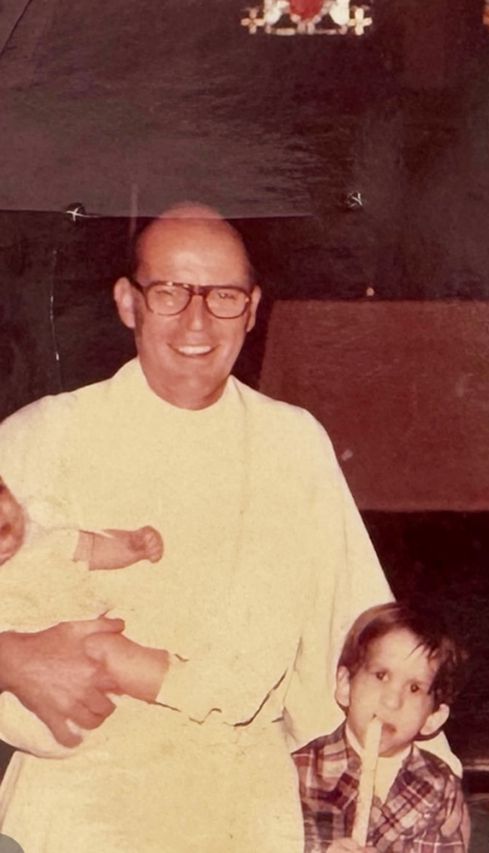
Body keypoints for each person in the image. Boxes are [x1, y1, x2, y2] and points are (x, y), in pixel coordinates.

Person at [0, 203, 396, 852]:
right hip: (79, 802)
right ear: (128, 302)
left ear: (253, 308)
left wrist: (403, 790)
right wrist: (9, 660)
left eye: (223, 296)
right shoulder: (44, 434)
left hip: (242, 802)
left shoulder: (292, 443)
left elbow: (359, 633)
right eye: (170, 292)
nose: (197, 321)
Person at [0, 475, 164, 755]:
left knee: (119, 635)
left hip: (85, 669)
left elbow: (94, 548)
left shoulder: (41, 540)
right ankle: (184, 686)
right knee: (105, 647)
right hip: (39, 713)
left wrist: (132, 546)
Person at [294, 602, 468, 853]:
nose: (392, 701)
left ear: (433, 717)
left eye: (414, 688)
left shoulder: (439, 785)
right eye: (381, 676)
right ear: (345, 685)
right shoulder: (299, 771)